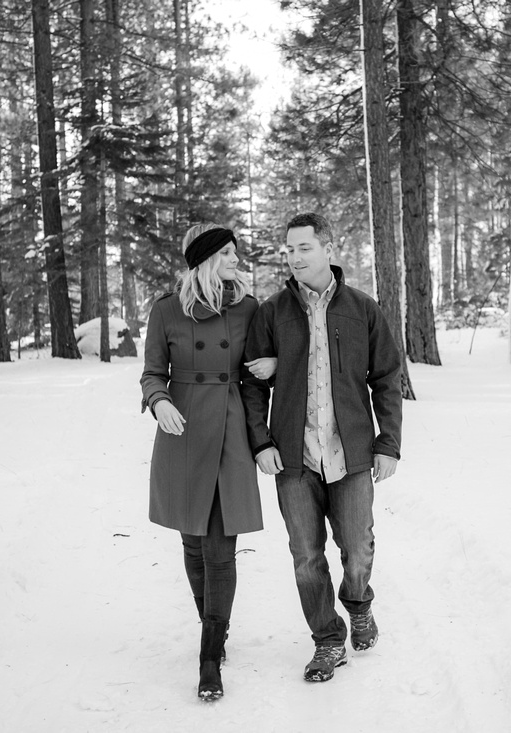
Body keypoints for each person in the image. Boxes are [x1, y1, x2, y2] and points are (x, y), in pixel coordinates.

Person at [241, 212, 403, 683]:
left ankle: (358, 603)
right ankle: (328, 640)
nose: (293, 257)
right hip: (294, 457)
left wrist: (387, 443)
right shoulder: (271, 312)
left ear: (328, 249)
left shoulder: (362, 309)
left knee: (357, 546)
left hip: (349, 452)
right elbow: (252, 385)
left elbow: (387, 380)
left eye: (303, 248)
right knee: (306, 556)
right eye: (288, 250)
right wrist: (261, 442)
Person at [140, 223, 276, 701]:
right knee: (193, 543)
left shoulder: (249, 308)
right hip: (183, 430)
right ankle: (212, 628)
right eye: (227, 254)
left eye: (236, 253)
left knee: (221, 548)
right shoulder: (166, 311)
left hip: (231, 429)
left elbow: (260, 368)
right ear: (203, 261)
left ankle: (209, 657)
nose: (236, 260)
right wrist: (159, 402)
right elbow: (153, 372)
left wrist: (273, 366)